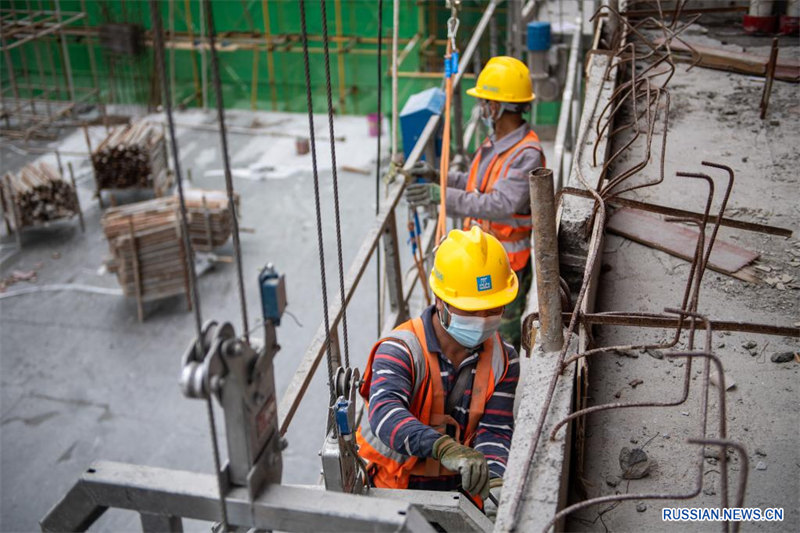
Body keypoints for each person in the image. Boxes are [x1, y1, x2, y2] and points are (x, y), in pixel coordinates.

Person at [356, 226, 520, 518]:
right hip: (394, 493)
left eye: (493, 309)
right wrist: (444, 448)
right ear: (440, 302)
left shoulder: (504, 360)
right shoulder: (401, 350)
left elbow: (495, 430)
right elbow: (385, 413)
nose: (483, 321)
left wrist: (494, 480)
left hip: (463, 495)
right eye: (471, 311)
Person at [406, 56, 545, 351]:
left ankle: (502, 383)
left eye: (484, 101)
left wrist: (440, 196)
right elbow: (473, 184)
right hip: (479, 256)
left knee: (501, 336)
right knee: (474, 330)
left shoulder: (527, 153)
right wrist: (439, 178)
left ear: (496, 106)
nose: (481, 108)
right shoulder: (495, 142)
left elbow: (499, 203)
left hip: (506, 261)